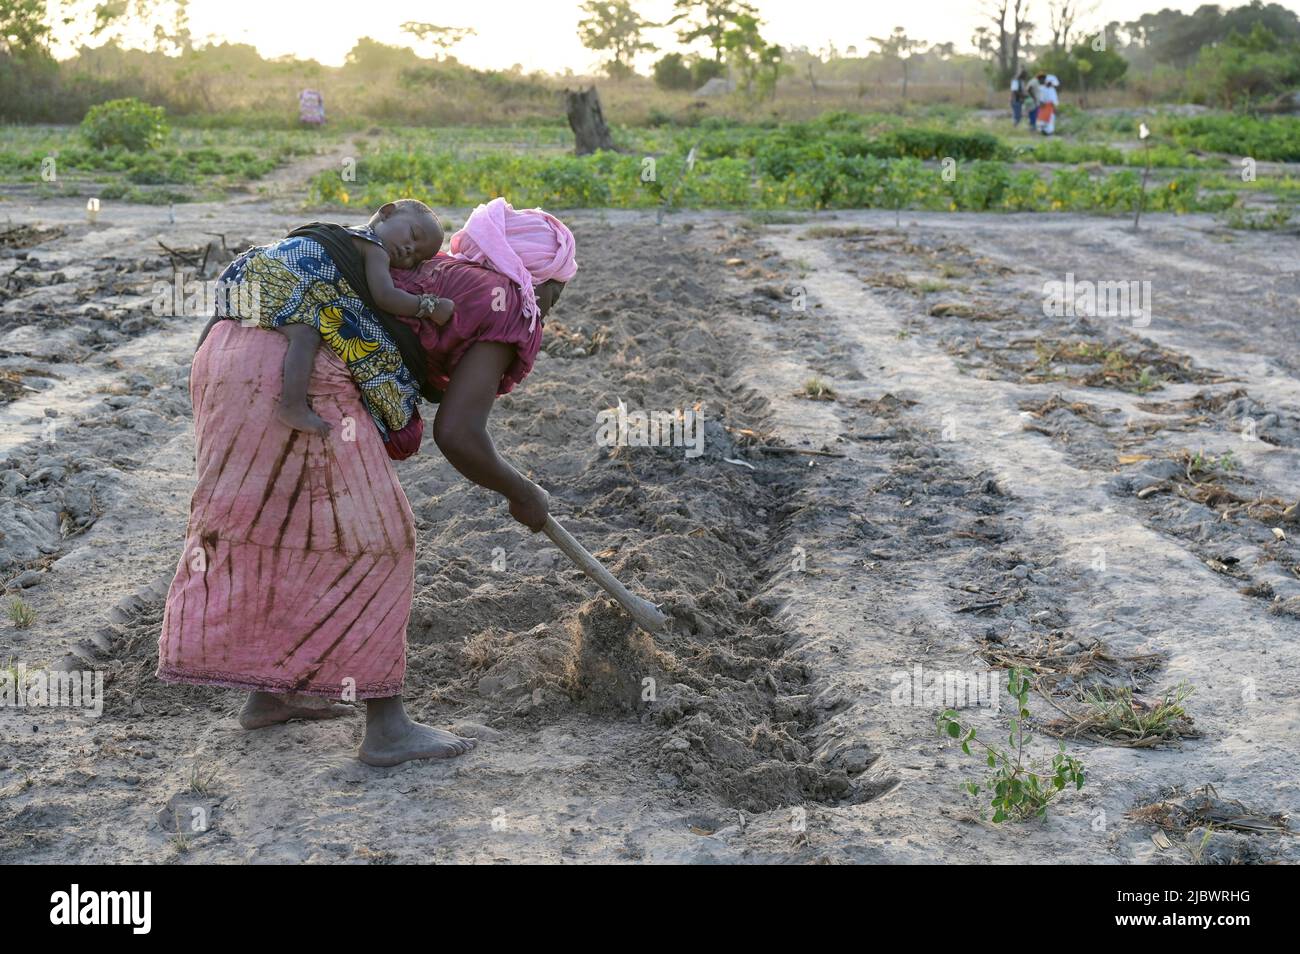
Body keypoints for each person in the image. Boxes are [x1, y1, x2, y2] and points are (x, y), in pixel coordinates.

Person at [158, 198, 576, 766]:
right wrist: (521, 491)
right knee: (379, 539)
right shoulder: (506, 307)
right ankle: (387, 727)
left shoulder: (437, 270)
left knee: (284, 521)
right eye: (557, 287)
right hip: (298, 375)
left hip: (226, 353)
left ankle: (272, 692)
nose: (554, 303)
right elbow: (459, 435)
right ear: (531, 277)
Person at [212, 199, 453, 450]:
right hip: (273, 279)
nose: (408, 250)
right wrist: (428, 306)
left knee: (225, 317)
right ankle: (292, 406)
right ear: (387, 212)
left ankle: (200, 360)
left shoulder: (345, 235)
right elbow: (385, 297)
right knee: (306, 335)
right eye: (413, 236)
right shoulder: (375, 247)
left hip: (243, 273)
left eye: (416, 257)